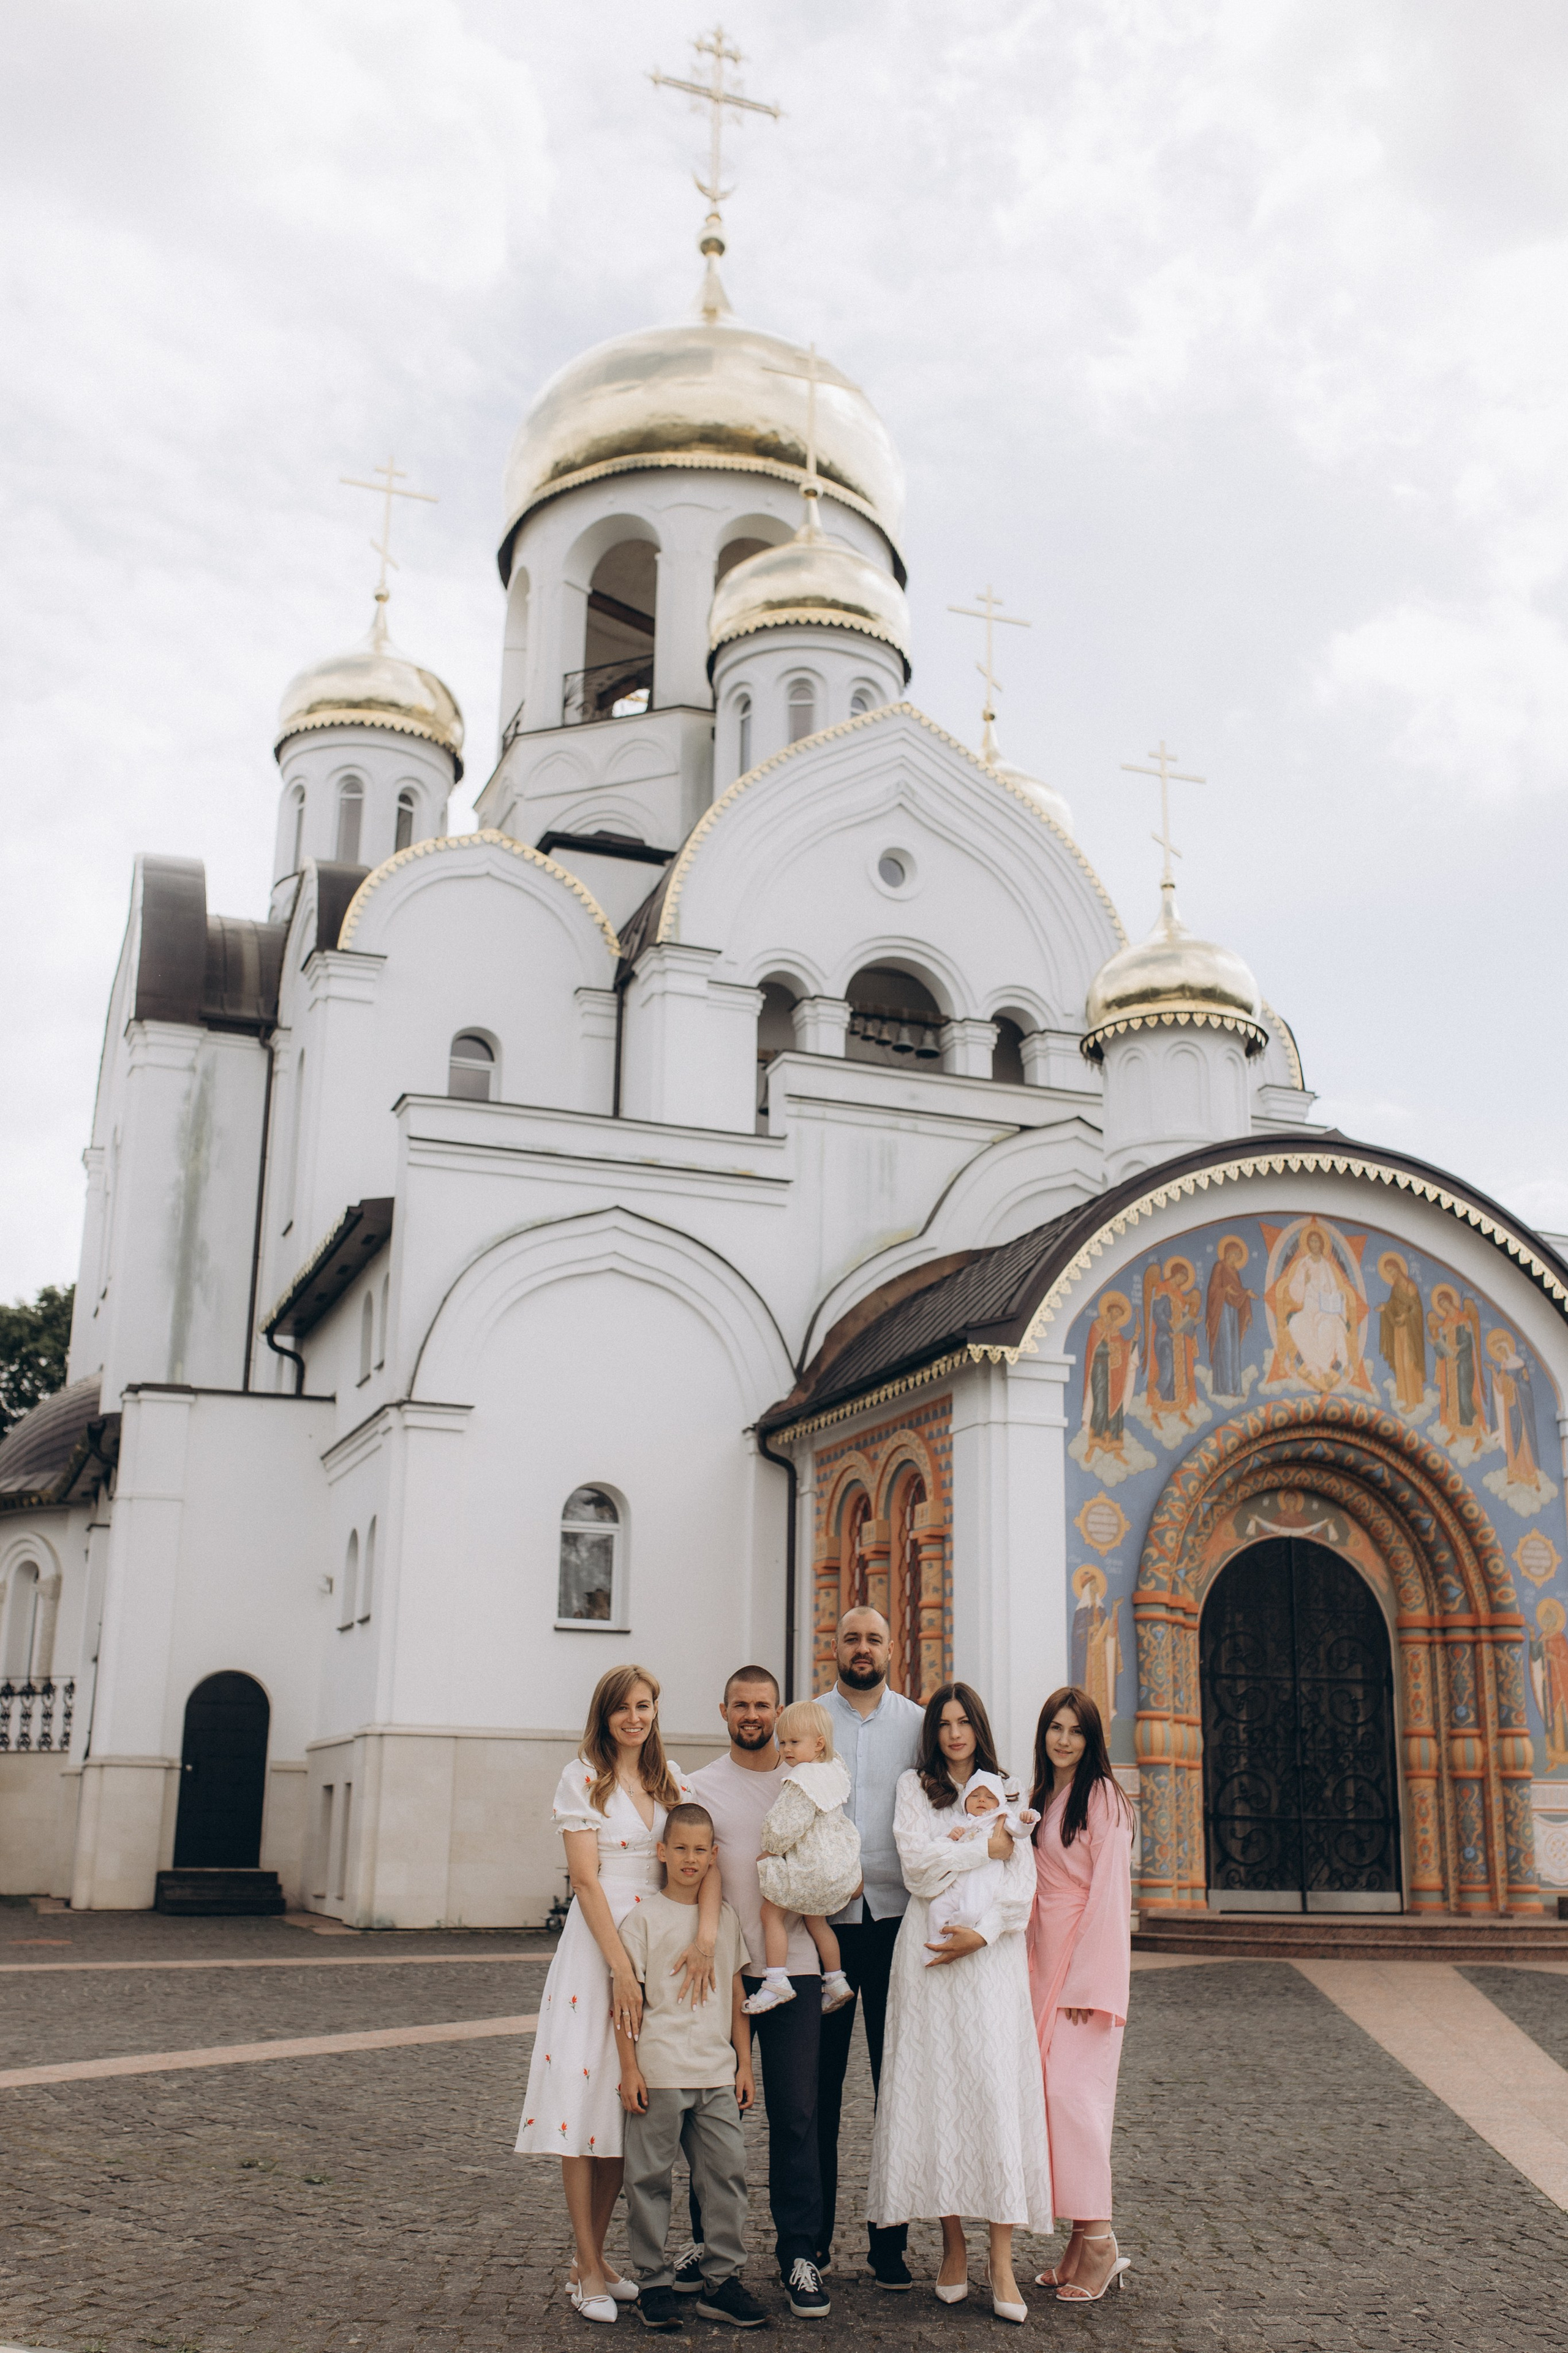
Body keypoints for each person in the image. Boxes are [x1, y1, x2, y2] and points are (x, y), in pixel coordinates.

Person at [516, 1665, 721, 2326]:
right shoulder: (583, 1777)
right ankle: (583, 2264)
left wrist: (703, 1934)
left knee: (621, 2111)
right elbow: (584, 1878)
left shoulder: (672, 1780)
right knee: (584, 2105)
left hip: (656, 1945)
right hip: (599, 1947)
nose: (635, 1717)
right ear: (604, 1714)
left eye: (646, 1705)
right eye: (623, 1708)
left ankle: (601, 2261)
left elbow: (705, 1857)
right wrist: (618, 1968)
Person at [867, 1682, 1050, 2324]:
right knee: (939, 2090)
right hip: (927, 1961)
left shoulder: (1008, 1789)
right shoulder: (914, 1789)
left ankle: (1000, 2259)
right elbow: (916, 1870)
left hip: (989, 1960)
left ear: (978, 1726)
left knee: (991, 2091)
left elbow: (1021, 1882)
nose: (952, 1732)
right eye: (942, 1723)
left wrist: (984, 1931)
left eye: (962, 1721)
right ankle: (952, 2244)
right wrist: (983, 1847)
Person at [688, 1668, 831, 2319]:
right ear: (724, 1710)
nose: (752, 1714)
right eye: (741, 1705)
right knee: (715, 2121)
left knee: (798, 2115)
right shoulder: (700, 1786)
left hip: (796, 1969)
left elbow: (835, 1858)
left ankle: (800, 2254)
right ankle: (708, 2247)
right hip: (726, 1971)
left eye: (763, 1704)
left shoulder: (803, 1777)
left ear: (779, 1710)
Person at [614, 1803, 767, 2332]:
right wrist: (630, 2068)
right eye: (680, 1847)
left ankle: (722, 2282)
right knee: (649, 2180)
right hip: (658, 2071)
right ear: (662, 1851)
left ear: (713, 1856)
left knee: (726, 2176)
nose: (689, 1858)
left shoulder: (722, 1919)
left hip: (716, 2075)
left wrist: (745, 2065)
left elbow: (735, 1995)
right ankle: (653, 2283)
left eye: (700, 1849)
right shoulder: (642, 1920)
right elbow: (625, 2006)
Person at [817, 1606, 924, 2290]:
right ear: (836, 1644)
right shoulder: (807, 1720)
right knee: (817, 2095)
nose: (863, 1648)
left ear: (893, 1648)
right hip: (822, 1930)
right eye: (852, 1637)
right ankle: (812, 2244)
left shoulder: (918, 1725)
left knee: (898, 2092)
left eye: (874, 1638)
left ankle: (890, 2245)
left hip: (895, 1926)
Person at [1026, 1685, 1136, 2305]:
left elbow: (1109, 1898)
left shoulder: (1103, 1799)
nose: (1064, 1739)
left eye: (1076, 1730)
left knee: (1075, 2099)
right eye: (1055, 1728)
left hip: (1082, 1966)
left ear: (1092, 1740)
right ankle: (1076, 2238)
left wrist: (1088, 1984)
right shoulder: (1045, 1795)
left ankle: (1100, 2240)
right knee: (1047, 2096)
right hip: (1045, 1958)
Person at [744, 1700, 859, 2016]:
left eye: (794, 1742)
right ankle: (836, 1980)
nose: (786, 1750)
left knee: (771, 1914)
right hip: (835, 1868)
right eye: (782, 1742)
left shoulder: (803, 1779)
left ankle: (776, 1980)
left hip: (810, 1868)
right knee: (817, 1920)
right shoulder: (834, 1768)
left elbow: (784, 1824)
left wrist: (770, 1849)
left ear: (818, 1743)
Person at [925, 1770, 1039, 1951]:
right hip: (960, 1878)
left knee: (970, 1911)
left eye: (989, 1797)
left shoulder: (1000, 1817)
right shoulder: (960, 1821)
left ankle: (953, 1937)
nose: (981, 1800)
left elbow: (1019, 1832)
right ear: (965, 1801)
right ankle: (935, 1943)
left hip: (985, 1875)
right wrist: (951, 1836)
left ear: (999, 1802)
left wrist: (1026, 1822)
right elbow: (939, 1845)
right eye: (975, 1795)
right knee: (937, 1908)